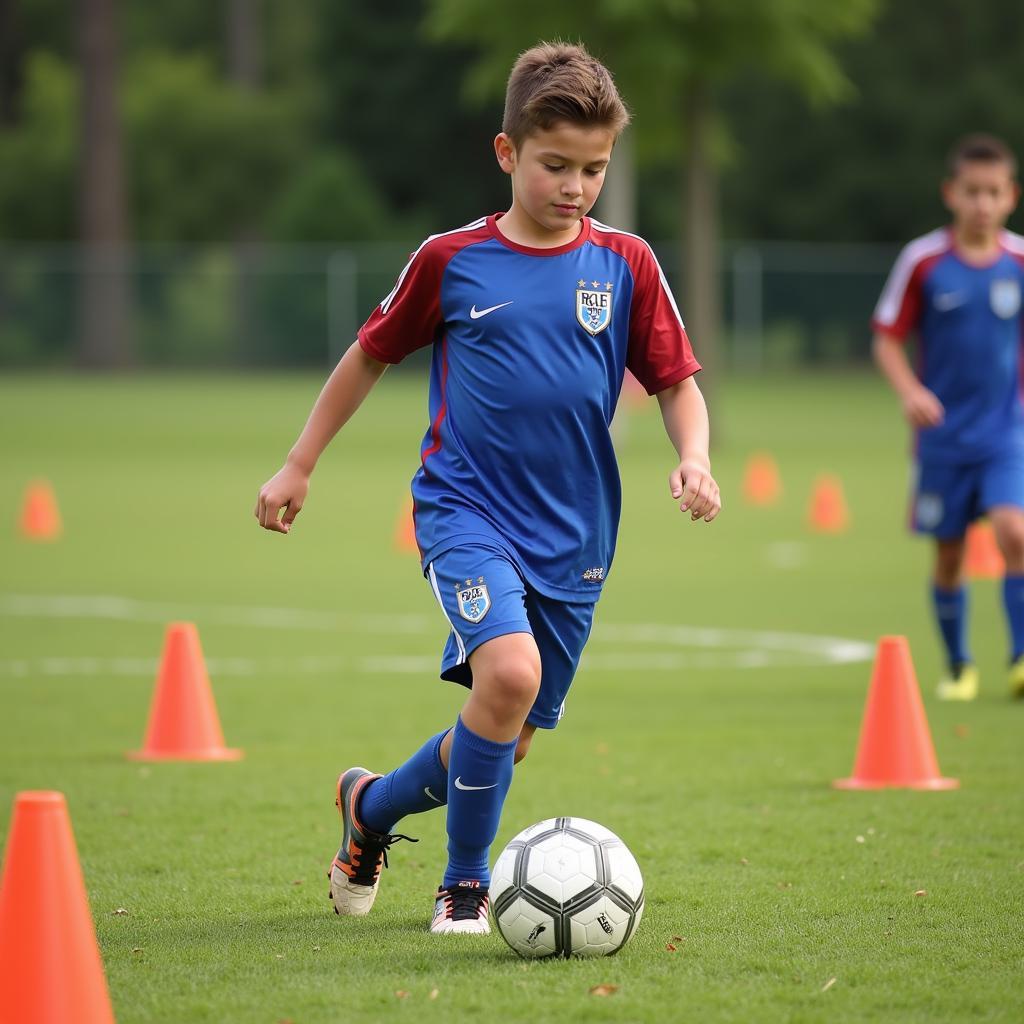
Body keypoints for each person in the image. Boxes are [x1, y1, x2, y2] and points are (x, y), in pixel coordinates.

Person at [255, 41, 720, 934]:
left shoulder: (626, 263)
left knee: (505, 728)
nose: (575, 186)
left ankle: (370, 810)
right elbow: (370, 354)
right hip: (465, 509)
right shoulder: (452, 259)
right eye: (555, 165)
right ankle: (464, 887)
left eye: (593, 169)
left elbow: (675, 381)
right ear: (507, 154)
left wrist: (693, 456)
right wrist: (300, 461)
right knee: (507, 675)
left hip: (578, 532)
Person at [872, 133, 1024, 701]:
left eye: (993, 192)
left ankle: (1018, 657)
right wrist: (910, 390)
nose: (982, 203)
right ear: (950, 194)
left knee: (1015, 533)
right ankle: (959, 664)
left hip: (1007, 433)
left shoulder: (1019, 262)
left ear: (1010, 196)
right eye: (972, 192)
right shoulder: (924, 261)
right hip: (941, 439)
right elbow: (887, 339)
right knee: (950, 554)